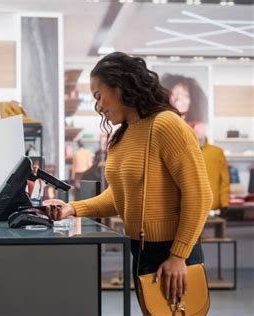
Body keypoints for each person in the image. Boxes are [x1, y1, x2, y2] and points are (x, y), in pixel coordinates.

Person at [43, 52, 212, 311]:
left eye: (99, 96)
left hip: (173, 250)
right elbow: (120, 196)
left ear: (121, 85)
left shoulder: (166, 124)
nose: (98, 106)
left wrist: (178, 256)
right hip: (141, 248)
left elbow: (199, 195)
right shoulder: (123, 136)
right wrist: (72, 208)